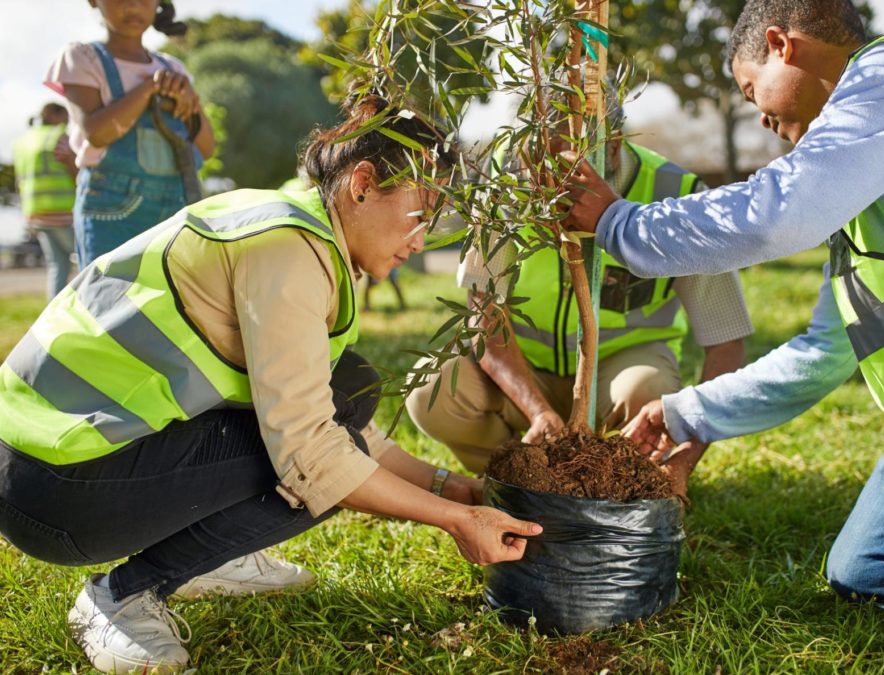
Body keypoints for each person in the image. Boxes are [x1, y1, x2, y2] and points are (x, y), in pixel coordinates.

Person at [562, 0, 884, 673]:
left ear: (783, 44)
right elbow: (818, 356)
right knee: (860, 574)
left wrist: (619, 224)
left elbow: (779, 213)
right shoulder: (866, 199)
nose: (763, 121)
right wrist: (684, 411)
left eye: (753, 92)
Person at [0, 92, 541, 674]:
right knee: (326, 463)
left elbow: (319, 409)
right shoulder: (287, 249)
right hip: (57, 487)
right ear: (361, 184)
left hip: (47, 459)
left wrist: (446, 486)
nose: (421, 240)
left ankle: (208, 556)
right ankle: (122, 595)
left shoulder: (289, 222)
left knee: (349, 390)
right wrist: (456, 521)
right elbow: (315, 451)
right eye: (420, 215)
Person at [406, 129, 753, 474]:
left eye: (566, 168)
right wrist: (538, 410)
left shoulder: (675, 195)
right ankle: (518, 476)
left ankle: (623, 481)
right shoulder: (502, 182)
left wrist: (685, 458)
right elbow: (485, 318)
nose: (545, 184)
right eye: (537, 162)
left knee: (647, 391)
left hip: (618, 375)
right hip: (523, 373)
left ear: (613, 147)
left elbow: (726, 339)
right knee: (431, 391)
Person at [45, 0, 215, 268]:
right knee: (110, 299)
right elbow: (98, 134)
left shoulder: (175, 69)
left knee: (173, 302)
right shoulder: (82, 58)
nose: (134, 5)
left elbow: (206, 148)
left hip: (177, 206)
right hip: (110, 210)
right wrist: (150, 89)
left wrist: (190, 100)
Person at [11, 103, 77, 298]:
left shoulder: (24, 141)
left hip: (36, 213)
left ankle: (52, 314)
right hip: (64, 211)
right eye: (66, 117)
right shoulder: (58, 137)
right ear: (55, 115)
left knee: (58, 264)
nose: (68, 123)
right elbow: (75, 172)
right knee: (87, 261)